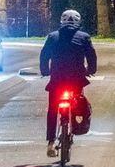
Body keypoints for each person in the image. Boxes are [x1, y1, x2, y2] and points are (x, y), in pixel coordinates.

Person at [40, 9, 96, 158]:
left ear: (62, 21)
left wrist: (45, 70)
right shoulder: (84, 37)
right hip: (76, 79)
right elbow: (91, 56)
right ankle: (77, 125)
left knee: (52, 110)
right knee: (78, 104)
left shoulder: (52, 37)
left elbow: (44, 55)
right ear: (78, 22)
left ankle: (51, 142)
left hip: (57, 79)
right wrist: (91, 69)